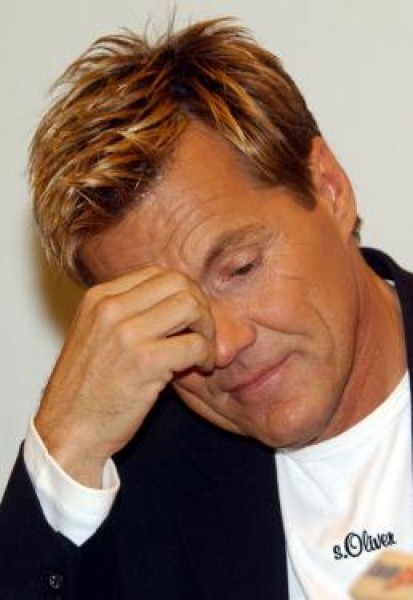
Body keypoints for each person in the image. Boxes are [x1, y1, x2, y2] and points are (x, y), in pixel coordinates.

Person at [0, 17, 411, 600]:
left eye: (240, 269)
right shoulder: (137, 486)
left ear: (329, 188)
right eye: (170, 319)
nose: (221, 345)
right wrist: (65, 449)